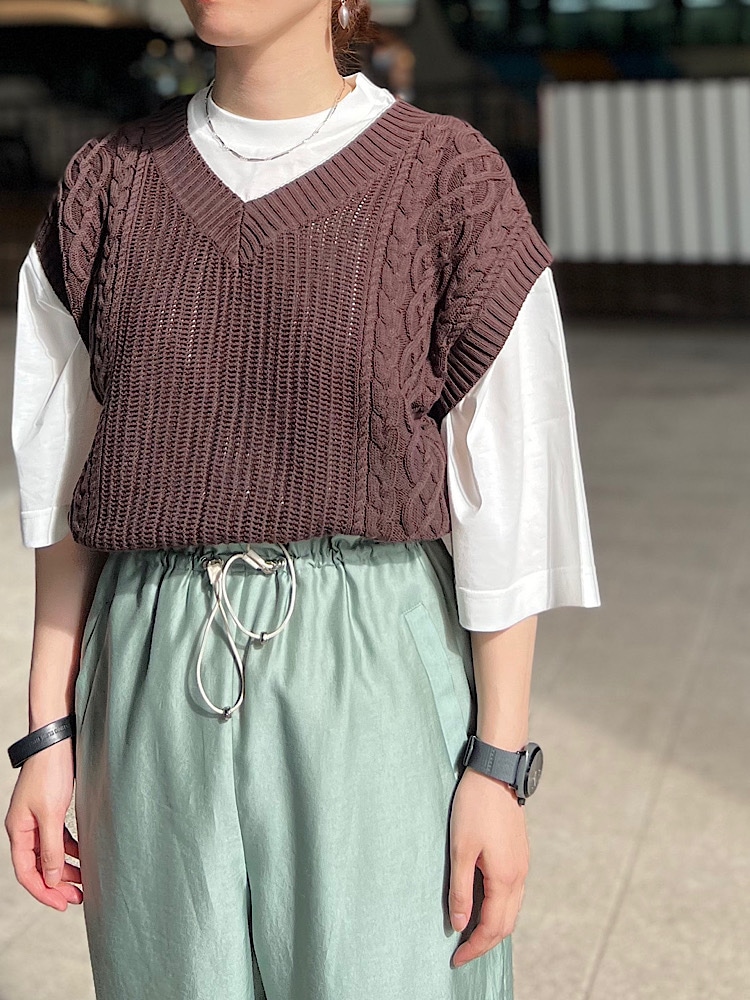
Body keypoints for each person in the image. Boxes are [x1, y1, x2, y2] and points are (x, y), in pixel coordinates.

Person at [4, 0, 601, 997]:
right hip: (151, 664)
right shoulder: (105, 185)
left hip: (370, 660)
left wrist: (498, 766)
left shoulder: (449, 181)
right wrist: (47, 734)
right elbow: (63, 486)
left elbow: (509, 496)